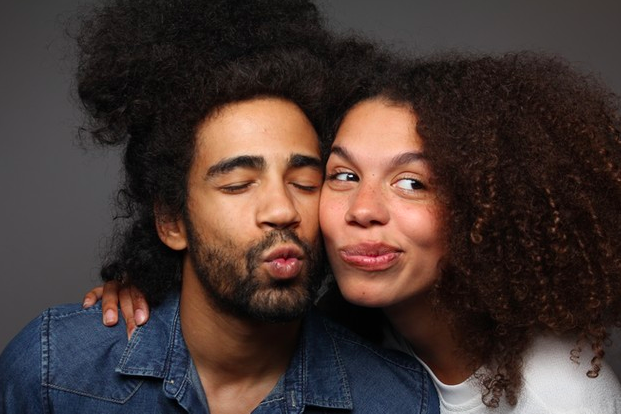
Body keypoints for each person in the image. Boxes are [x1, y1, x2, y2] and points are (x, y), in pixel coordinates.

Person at [97, 51, 621, 412]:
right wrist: (154, 287)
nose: (362, 210)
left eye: (412, 182)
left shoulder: (560, 396)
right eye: (343, 175)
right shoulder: (342, 329)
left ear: (485, 209)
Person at [0, 1, 441, 413]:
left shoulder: (400, 399)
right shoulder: (53, 372)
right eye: (238, 184)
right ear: (172, 221)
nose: (282, 210)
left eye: (304, 182)